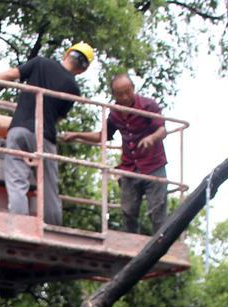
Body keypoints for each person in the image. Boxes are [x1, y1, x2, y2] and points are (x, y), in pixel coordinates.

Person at [0, 42, 93, 226]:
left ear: (67, 54)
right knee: (49, 186)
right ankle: (53, 229)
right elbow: (57, 119)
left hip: (19, 129)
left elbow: (9, 75)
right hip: (45, 137)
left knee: (16, 181)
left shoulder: (40, 63)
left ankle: (20, 225)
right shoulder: (73, 88)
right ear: (82, 70)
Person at [60, 73, 168, 234]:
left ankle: (161, 242)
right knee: (128, 210)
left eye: (128, 91)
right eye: (120, 94)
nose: (125, 97)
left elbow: (162, 130)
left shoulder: (148, 105)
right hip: (130, 167)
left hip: (153, 164)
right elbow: (101, 136)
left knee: (157, 208)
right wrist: (77, 135)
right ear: (114, 95)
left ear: (133, 89)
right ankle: (131, 242)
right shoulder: (115, 113)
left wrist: (151, 139)